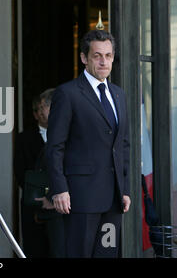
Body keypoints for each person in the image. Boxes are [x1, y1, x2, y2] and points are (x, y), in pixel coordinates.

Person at [46, 29, 131, 258]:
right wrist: (59, 189)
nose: (104, 61)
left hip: (113, 201)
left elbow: (123, 145)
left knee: (107, 255)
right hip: (80, 198)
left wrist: (125, 189)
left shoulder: (119, 95)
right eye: (97, 55)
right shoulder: (68, 93)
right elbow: (54, 146)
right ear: (84, 58)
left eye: (109, 56)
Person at [15, 88, 65, 258]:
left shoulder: (67, 135)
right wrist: (39, 195)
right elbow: (20, 171)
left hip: (60, 206)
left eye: (47, 106)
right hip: (34, 205)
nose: (43, 111)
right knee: (35, 250)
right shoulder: (24, 138)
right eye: (39, 108)